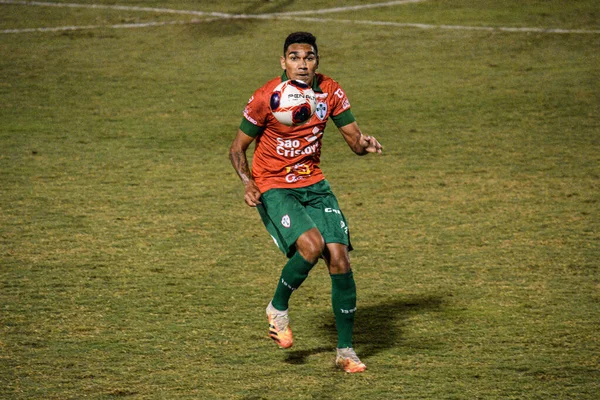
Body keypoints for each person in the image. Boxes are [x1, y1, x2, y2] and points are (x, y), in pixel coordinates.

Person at [229, 32, 382, 373]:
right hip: (273, 184)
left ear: (317, 62)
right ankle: (277, 308)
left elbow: (353, 140)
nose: (302, 63)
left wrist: (365, 144)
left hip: (313, 183)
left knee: (339, 259)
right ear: (283, 62)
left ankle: (345, 351)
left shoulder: (330, 91)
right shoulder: (266, 97)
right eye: (294, 57)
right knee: (311, 246)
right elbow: (236, 149)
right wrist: (248, 183)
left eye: (309, 57)